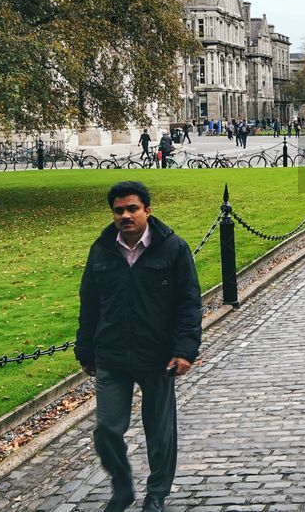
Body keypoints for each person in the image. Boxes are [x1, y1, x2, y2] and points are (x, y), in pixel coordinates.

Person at [76, 181, 202, 512]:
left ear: (148, 209)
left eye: (132, 208)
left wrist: (185, 348)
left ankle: (157, 493)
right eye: (119, 210)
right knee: (106, 429)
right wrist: (85, 349)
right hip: (112, 354)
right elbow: (88, 303)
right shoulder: (101, 250)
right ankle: (122, 487)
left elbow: (188, 303)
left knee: (159, 433)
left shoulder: (174, 248)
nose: (126, 215)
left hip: (158, 355)